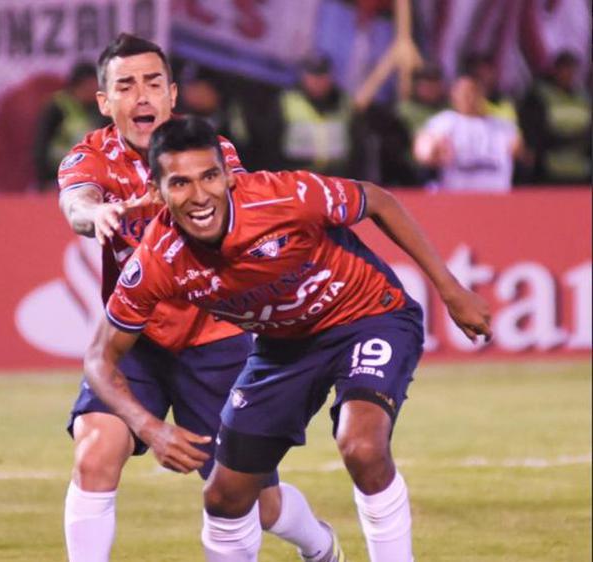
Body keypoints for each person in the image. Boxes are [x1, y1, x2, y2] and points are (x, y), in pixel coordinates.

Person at [85, 116, 492, 561]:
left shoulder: (283, 196)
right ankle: (321, 550)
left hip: (368, 315)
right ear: (158, 193)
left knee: (362, 445)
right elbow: (100, 359)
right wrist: (149, 427)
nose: (200, 196)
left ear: (228, 177)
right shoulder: (159, 260)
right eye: (180, 183)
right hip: (283, 348)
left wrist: (451, 291)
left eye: (210, 177)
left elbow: (378, 201)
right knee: (225, 498)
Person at [58, 35, 344, 562]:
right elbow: (77, 200)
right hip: (135, 339)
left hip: (218, 342)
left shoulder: (207, 155)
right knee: (96, 453)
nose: (141, 96)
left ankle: (321, 545)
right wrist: (94, 214)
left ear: (172, 94)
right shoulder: (90, 157)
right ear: (104, 102)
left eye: (152, 83)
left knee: (258, 505)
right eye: (125, 86)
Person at [414, 74, 524, 191]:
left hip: (497, 194)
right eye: (463, 93)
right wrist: (433, 151)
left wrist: (518, 149)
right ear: (453, 95)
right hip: (457, 196)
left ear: (482, 93)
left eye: (472, 92)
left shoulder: (502, 126)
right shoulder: (444, 122)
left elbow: (520, 152)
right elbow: (423, 150)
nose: (468, 98)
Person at [268, 54, 353, 177]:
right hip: (296, 175)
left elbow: (356, 142)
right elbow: (270, 144)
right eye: (313, 74)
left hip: (336, 177)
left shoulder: (344, 101)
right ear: (303, 76)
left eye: (322, 74)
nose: (317, 80)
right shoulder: (286, 101)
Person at [518, 51, 592, 185]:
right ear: (556, 70)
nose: (568, 73)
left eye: (572, 69)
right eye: (564, 68)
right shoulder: (539, 96)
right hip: (549, 168)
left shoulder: (584, 97)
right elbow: (534, 132)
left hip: (581, 168)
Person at [33, 62, 108, 191]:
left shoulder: (100, 109)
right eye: (91, 85)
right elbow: (41, 143)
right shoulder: (57, 107)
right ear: (79, 85)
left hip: (90, 176)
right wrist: (44, 180)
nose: (95, 89)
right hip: (56, 176)